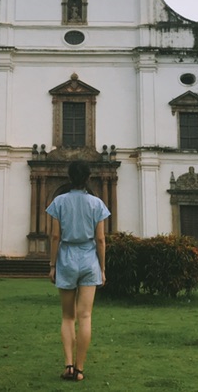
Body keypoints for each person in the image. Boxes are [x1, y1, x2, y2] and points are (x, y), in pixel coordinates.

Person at [46, 160, 110, 382]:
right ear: (88, 178)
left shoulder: (59, 202)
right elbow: (100, 239)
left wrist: (52, 265)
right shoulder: (97, 204)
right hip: (89, 260)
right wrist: (102, 268)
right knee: (85, 316)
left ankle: (69, 365)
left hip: (66, 259)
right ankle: (81, 369)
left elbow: (55, 236)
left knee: (67, 317)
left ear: (69, 177)